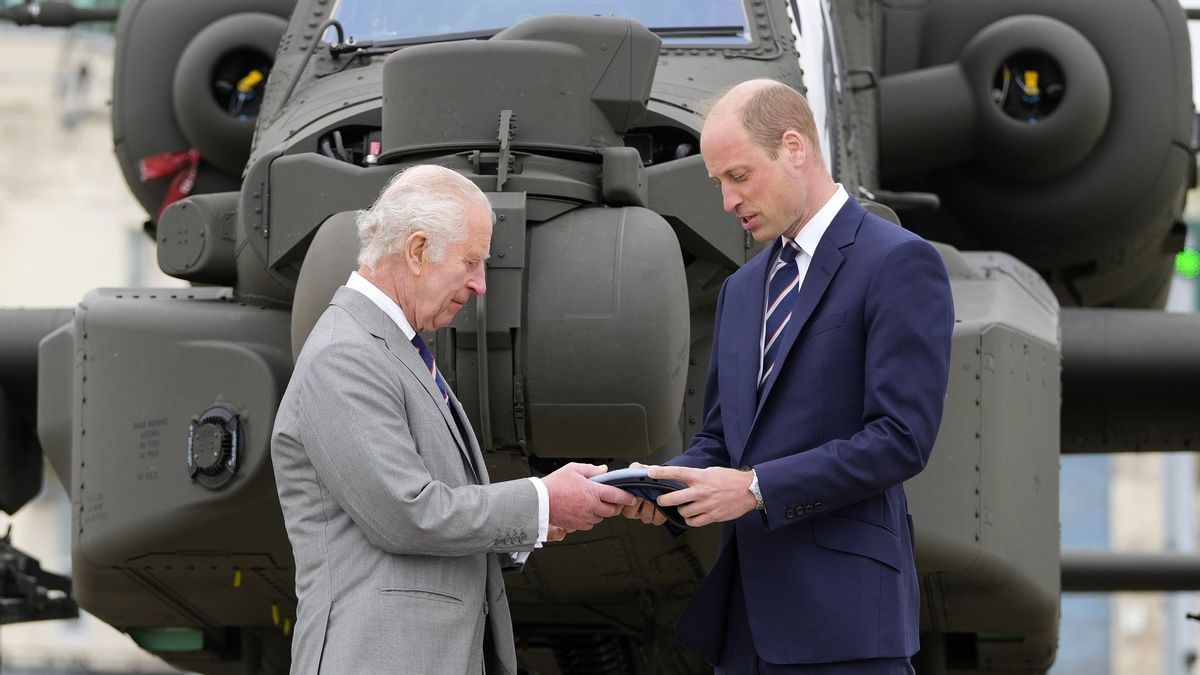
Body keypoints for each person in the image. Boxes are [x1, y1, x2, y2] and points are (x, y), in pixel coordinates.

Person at [625, 80, 954, 673]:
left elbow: (901, 438)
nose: (727, 200)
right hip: (747, 625)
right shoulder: (741, 289)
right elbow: (723, 441)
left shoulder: (899, 262)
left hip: (847, 626)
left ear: (794, 148)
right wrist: (669, 485)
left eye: (739, 176)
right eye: (718, 183)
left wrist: (754, 489)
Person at [271, 164, 635, 674]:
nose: (481, 284)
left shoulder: (391, 349)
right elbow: (407, 516)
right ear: (418, 250)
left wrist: (542, 517)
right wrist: (541, 501)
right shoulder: (346, 355)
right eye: (471, 261)